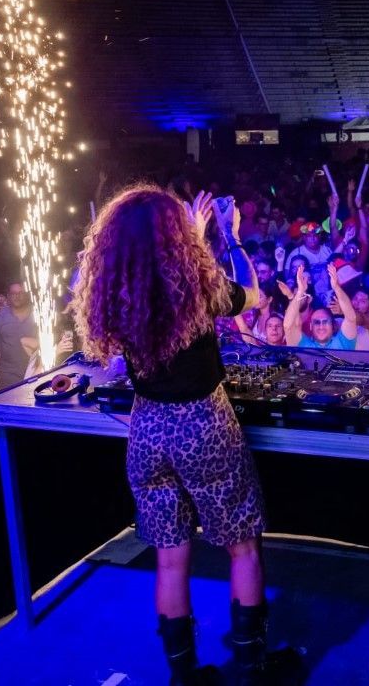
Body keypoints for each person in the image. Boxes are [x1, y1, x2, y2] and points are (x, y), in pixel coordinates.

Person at [72, 187, 299, 685]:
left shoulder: (119, 290)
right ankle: (252, 668)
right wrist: (231, 238)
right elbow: (251, 293)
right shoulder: (195, 283)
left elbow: (162, 276)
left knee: (171, 558)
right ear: (176, 238)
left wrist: (193, 235)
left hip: (148, 429)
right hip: (202, 425)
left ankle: (184, 677)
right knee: (242, 546)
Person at [284, 263, 359, 350]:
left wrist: (336, 287)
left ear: (333, 325)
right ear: (311, 326)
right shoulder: (303, 345)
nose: (321, 326)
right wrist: (300, 292)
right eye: (317, 322)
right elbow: (288, 326)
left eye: (325, 322)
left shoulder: (343, 342)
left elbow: (351, 318)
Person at [0, 281, 40, 387]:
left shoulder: (39, 315)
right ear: (8, 296)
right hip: (8, 376)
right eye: (13, 293)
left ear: (27, 295)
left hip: (36, 372)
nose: (17, 296)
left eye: (21, 293)